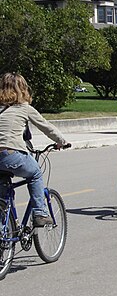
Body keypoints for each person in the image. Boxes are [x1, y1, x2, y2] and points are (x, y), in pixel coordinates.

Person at [0, 73, 69, 227]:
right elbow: (46, 127)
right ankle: (40, 213)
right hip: (11, 155)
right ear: (22, 89)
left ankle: (4, 232)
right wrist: (62, 142)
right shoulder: (24, 108)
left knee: (3, 195)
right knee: (36, 173)